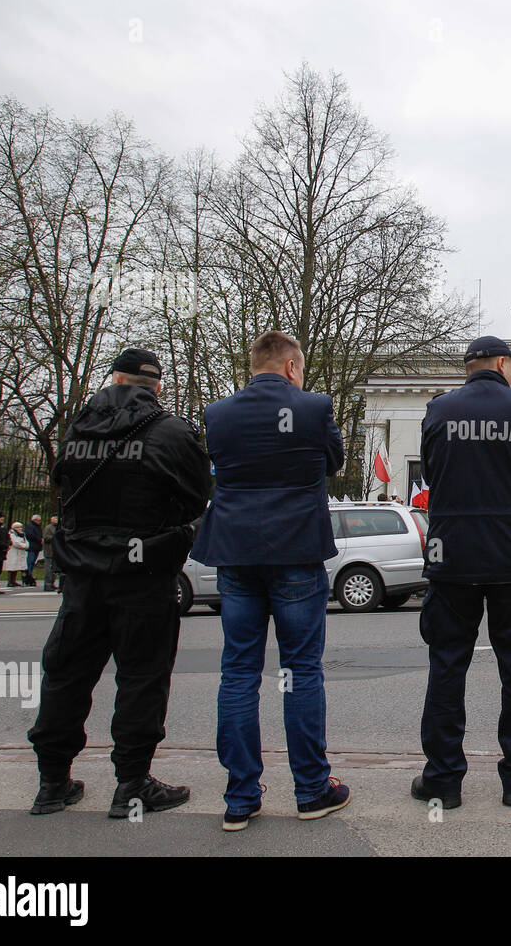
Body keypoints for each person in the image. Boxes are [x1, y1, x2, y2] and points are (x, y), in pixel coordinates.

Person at [29, 347, 211, 818]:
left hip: (83, 576)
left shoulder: (77, 428)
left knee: (66, 676)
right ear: (157, 386)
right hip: (144, 574)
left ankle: (52, 783)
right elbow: (197, 500)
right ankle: (131, 784)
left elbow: (64, 491)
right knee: (142, 679)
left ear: (114, 378)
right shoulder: (171, 432)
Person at [191, 331, 347, 831]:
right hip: (297, 550)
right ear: (292, 367)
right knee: (301, 670)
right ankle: (311, 789)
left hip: (236, 553)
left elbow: (220, 470)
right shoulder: (314, 407)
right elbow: (335, 463)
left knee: (237, 672)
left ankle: (240, 797)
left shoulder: (218, 414)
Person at [412, 334, 511, 810]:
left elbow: (431, 472)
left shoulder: (439, 409)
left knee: (447, 665)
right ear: (501, 363)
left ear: (468, 367)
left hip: (451, 552)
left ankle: (443, 780)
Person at [5, 521, 29, 588]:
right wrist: (24, 546)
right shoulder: (11, 534)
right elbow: (15, 543)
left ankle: (14, 581)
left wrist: (26, 545)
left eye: (20, 527)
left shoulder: (22, 534)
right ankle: (10, 581)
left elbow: (26, 542)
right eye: (18, 527)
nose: (20, 528)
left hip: (20, 553)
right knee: (12, 567)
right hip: (13, 552)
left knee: (17, 567)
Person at [22, 515, 43, 587]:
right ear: (35, 520)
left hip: (36, 547)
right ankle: (28, 576)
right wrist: (39, 539)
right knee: (30, 562)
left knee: (32, 562)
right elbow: (30, 535)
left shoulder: (37, 527)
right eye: (38, 520)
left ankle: (29, 576)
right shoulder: (30, 526)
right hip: (31, 546)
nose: (39, 522)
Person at [41, 515, 60, 592]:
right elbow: (46, 537)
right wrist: (56, 537)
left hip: (56, 551)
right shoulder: (49, 527)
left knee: (54, 569)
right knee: (49, 569)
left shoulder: (58, 527)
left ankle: (52, 583)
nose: (57, 519)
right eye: (55, 518)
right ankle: (47, 584)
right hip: (49, 551)